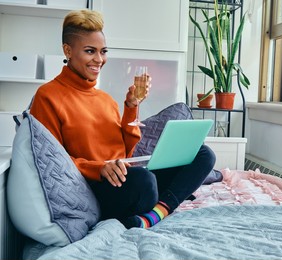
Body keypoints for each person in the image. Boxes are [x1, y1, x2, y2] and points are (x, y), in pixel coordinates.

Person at [30, 9, 216, 229]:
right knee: (145, 182)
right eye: (90, 51)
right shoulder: (47, 96)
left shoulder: (105, 99)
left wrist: (131, 106)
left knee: (203, 154)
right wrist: (99, 168)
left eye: (103, 51)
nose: (99, 60)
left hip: (125, 176)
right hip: (96, 186)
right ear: (68, 50)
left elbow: (126, 152)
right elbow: (52, 160)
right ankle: (169, 198)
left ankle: (156, 213)